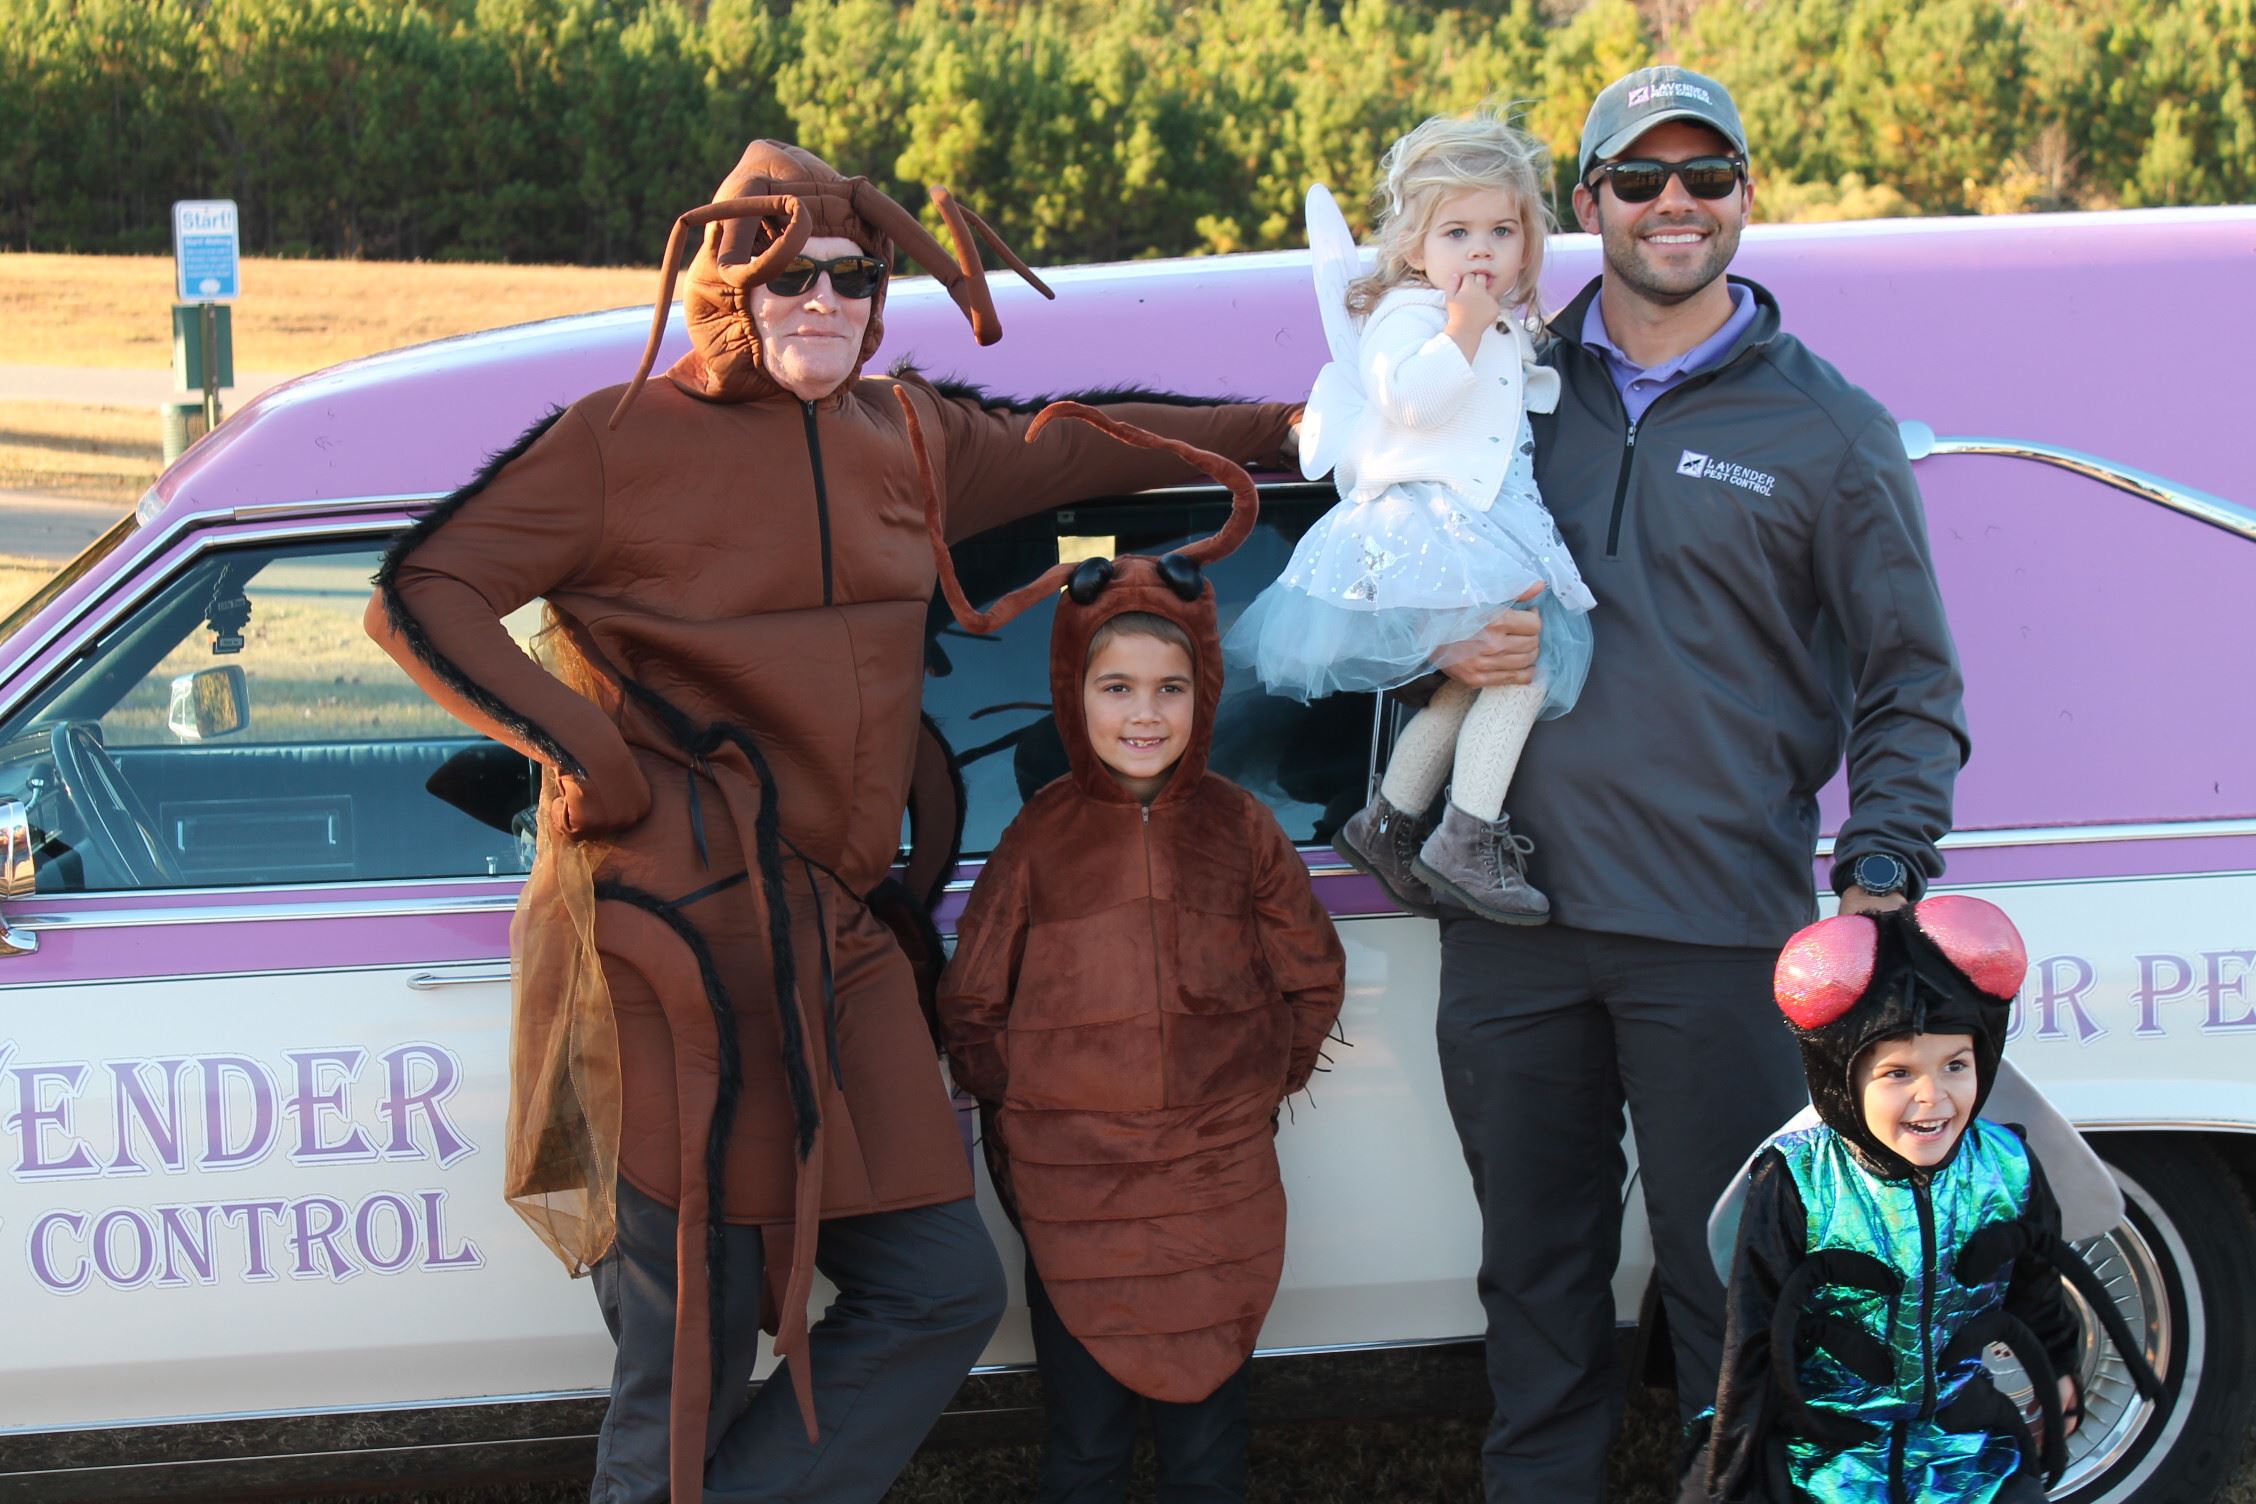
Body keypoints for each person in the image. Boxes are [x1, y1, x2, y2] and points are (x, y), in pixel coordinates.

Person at [364, 141, 1302, 1504]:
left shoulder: (905, 433)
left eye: (853, 277)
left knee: (937, 1287)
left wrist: (1292, 435)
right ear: (723, 282)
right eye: (787, 273)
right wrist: (585, 754)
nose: (824, 301)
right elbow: (426, 592)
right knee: (685, 1349)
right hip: (672, 946)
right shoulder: (617, 436)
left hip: (840, 937)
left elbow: (1068, 446)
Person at [1428, 67, 1972, 1502]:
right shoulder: (1499, 381)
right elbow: (1380, 577)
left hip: (1720, 935)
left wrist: (1884, 870)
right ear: (1589, 200)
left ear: (1745, 195)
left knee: (1735, 1294)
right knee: (1533, 1290)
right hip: (1506, 931)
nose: (1677, 202)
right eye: (1642, 176)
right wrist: (1430, 637)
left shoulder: (1828, 429)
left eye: (1707, 175)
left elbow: (1911, 679)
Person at [928, 404, 1347, 1503]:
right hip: (1077, 1187)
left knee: (1210, 1441)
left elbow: (1311, 972)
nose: (1145, 714)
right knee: (1084, 1441)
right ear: (1075, 693)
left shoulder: (1241, 827)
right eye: (1116, 689)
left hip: (1214, 1179)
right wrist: (1033, 1111)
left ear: (1205, 690)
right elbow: (974, 1002)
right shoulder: (1039, 837)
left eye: (1171, 688)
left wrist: (1245, 1088)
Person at [1226, 111, 1596, 924]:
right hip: (1438, 529)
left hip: (1483, 517)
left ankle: (1387, 823)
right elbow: (1412, 400)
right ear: (1414, 247)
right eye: (1457, 232)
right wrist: (1462, 330)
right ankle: (1468, 834)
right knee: (1524, 669)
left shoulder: (1497, 319)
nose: (1481, 252)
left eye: (1502, 231)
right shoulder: (1409, 314)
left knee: (1475, 682)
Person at [1701, 895, 2159, 1502]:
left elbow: (2035, 1283)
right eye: (1898, 1073)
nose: (1932, 1097)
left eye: (1955, 1065)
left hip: (1964, 1440)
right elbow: (1753, 1336)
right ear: (1842, 1078)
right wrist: (1736, 1470)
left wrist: (2059, 1364)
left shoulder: (2007, 1165)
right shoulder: (1797, 1180)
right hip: (1829, 1448)